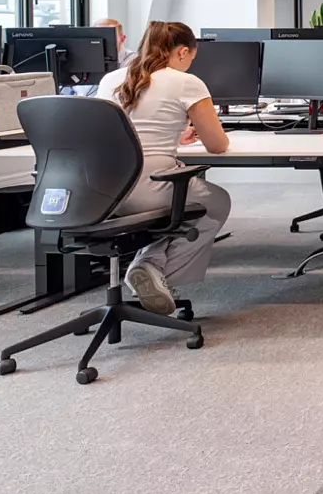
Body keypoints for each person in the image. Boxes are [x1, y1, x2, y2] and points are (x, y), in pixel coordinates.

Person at [95, 21, 231, 315]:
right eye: (191, 57)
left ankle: (149, 265)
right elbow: (217, 145)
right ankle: (156, 273)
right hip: (152, 187)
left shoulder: (110, 80)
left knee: (179, 211)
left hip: (104, 193)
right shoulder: (186, 82)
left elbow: (121, 132)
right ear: (182, 52)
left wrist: (173, 134)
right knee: (217, 203)